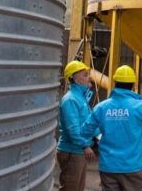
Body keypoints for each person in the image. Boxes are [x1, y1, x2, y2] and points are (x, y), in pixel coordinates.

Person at [57, 60, 98, 191]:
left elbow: (89, 124)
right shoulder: (70, 100)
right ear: (75, 78)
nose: (89, 78)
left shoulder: (81, 98)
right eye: (85, 75)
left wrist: (102, 137)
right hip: (72, 151)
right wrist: (85, 145)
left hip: (77, 151)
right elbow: (72, 129)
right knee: (70, 188)